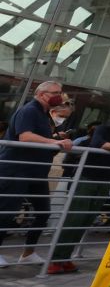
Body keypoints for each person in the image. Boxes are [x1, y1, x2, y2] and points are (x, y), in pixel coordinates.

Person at [49, 105, 110, 274]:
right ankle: (56, 259)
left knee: (87, 219)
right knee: (74, 218)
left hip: (105, 180)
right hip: (87, 177)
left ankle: (65, 257)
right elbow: (99, 143)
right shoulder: (103, 129)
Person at [0, 81, 73, 267]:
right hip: (17, 170)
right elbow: (25, 136)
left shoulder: (44, 114)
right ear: (42, 94)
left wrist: (56, 142)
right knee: (7, 212)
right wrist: (53, 142)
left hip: (36, 171)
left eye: (60, 92)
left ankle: (28, 253)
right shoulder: (30, 110)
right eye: (55, 92)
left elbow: (42, 140)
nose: (60, 96)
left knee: (42, 212)